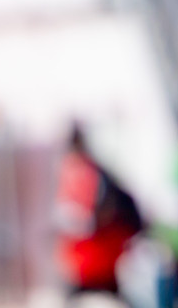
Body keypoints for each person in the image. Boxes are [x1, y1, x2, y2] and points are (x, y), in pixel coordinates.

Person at [55, 124, 147, 303]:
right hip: (91, 263)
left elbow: (96, 215)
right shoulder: (84, 170)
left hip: (95, 259)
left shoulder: (83, 171)